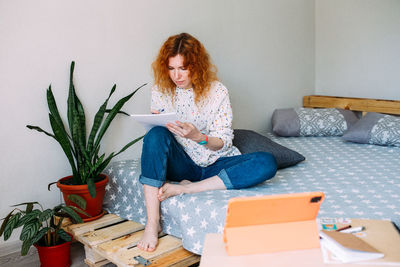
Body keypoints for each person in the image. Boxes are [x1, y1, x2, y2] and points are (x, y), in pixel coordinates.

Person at [137, 33, 277, 251]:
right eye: (172, 68)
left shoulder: (217, 91)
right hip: (182, 164)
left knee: (266, 162)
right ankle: (152, 223)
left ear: (197, 65)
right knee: (154, 135)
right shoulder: (160, 90)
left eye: (183, 68)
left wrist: (198, 137)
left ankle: (188, 189)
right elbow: (160, 137)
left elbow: (223, 143)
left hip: (215, 164)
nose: (177, 75)